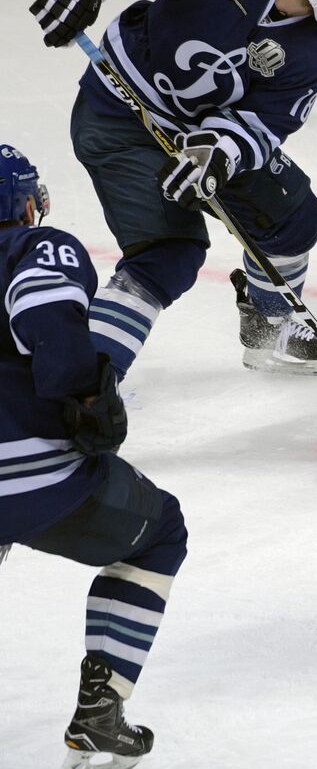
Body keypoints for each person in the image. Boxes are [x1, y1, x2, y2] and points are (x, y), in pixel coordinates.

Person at [29, 0, 317, 377]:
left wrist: (215, 154)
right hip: (116, 115)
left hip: (192, 131)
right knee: (168, 251)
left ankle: (269, 324)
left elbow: (258, 125)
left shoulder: (315, 51)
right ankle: (80, 382)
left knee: (295, 214)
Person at [0, 145, 188, 769]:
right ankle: (101, 713)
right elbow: (51, 319)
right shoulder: (34, 247)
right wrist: (84, 395)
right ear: (24, 203)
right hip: (32, 481)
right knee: (158, 532)